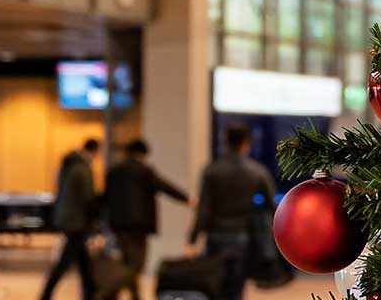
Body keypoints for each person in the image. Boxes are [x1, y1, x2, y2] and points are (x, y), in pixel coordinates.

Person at [189, 125, 277, 300]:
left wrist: (192, 238)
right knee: (237, 285)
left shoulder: (212, 170)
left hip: (215, 236)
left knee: (216, 283)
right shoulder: (257, 171)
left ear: (225, 141)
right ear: (246, 143)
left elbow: (204, 208)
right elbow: (272, 205)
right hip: (242, 236)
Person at [103, 139, 188, 300]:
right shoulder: (144, 170)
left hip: (118, 224)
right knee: (137, 265)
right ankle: (107, 292)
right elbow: (165, 187)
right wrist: (186, 198)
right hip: (139, 225)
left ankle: (135, 296)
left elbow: (105, 198)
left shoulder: (114, 171)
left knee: (128, 262)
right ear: (142, 154)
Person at [39, 138, 102, 300]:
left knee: (83, 261)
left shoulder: (69, 165)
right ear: (95, 150)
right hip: (76, 221)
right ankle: (46, 295)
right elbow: (87, 196)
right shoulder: (82, 168)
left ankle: (90, 294)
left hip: (66, 218)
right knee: (65, 262)